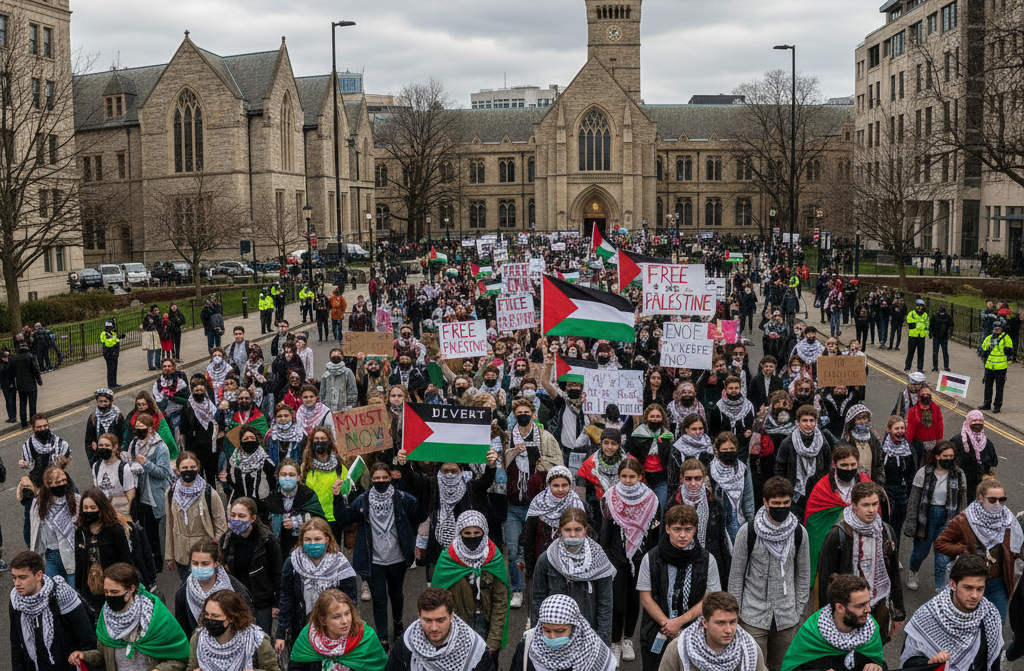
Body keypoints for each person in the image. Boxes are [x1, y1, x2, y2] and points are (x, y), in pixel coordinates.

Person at [333, 462, 420, 651]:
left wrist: (409, 536)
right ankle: (382, 637)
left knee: (396, 595)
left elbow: (418, 514)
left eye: (384, 478)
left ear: (390, 478)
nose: (381, 481)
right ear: (371, 480)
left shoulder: (402, 498)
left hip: (397, 559)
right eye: (377, 478)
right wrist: (337, 497)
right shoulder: (363, 500)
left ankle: (398, 624)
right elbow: (344, 519)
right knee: (379, 599)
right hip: (374, 561)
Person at [728, 476, 809, 671]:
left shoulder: (799, 533)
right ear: (765, 502)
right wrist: (735, 614)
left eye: (786, 503)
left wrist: (797, 610)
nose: (781, 507)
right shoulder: (747, 532)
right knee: (752, 667)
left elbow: (803, 575)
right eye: (776, 503)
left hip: (787, 617)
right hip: (752, 616)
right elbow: (736, 577)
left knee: (784, 668)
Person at [815, 481, 905, 643]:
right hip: (848, 609)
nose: (871, 510)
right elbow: (825, 579)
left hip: (879, 606)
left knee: (873, 654)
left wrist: (899, 612)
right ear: (854, 505)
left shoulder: (887, 532)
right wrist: (827, 616)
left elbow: (894, 574)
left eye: (875, 504)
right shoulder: (838, 535)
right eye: (865, 505)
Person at [636, 504, 722, 671]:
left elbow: (710, 598)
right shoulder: (651, 558)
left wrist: (679, 623)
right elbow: (645, 596)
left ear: (695, 530)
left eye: (688, 529)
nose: (682, 535)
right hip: (657, 630)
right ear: (667, 529)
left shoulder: (707, 559)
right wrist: (667, 624)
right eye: (677, 529)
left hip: (696, 632)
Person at [70, 563, 190, 671]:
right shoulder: (106, 619)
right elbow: (103, 656)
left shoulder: (156, 618)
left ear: (131, 589)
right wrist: (84, 656)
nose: (109, 597)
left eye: (115, 592)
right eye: (106, 592)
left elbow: (178, 659)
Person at [504, 397, 563, 610]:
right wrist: (510, 454)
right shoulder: (508, 437)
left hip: (537, 506)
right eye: (518, 412)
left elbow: (558, 463)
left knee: (535, 551)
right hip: (514, 505)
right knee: (511, 550)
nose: (522, 415)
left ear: (533, 414)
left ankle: (537, 588)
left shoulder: (545, 437)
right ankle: (517, 590)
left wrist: (540, 463)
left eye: (526, 412)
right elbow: (501, 460)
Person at [601, 457, 661, 664]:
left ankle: (628, 639)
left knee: (634, 601)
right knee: (617, 603)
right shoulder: (609, 497)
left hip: (641, 558)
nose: (627, 480)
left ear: (639, 477)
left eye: (632, 477)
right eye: (624, 476)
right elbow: (605, 530)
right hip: (616, 558)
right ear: (618, 476)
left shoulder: (651, 499)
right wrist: (606, 557)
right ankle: (615, 642)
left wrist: (651, 558)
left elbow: (655, 532)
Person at [936, 477, 1022, 622]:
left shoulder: (1009, 521)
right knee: (966, 624)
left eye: (1002, 499)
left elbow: (1020, 546)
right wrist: (961, 550)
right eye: (993, 499)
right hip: (970, 582)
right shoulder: (964, 520)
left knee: (996, 624)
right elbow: (941, 543)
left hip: (997, 583)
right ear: (981, 498)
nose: (998, 504)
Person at [430, 511, 510, 664]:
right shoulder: (447, 558)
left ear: (484, 532)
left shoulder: (494, 557)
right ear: (459, 533)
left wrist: (493, 640)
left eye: (476, 532)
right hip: (456, 627)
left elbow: (501, 602)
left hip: (485, 626)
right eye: (467, 533)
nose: (472, 537)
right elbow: (436, 601)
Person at [901, 554, 1002, 671]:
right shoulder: (927, 615)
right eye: (968, 588)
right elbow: (908, 662)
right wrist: (930, 662)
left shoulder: (990, 616)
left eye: (980, 589)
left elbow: (993, 662)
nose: (975, 595)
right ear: (953, 585)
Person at [529, 507, 614, 645]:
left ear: (586, 529)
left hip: (587, 634)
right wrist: (536, 636)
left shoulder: (598, 559)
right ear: (560, 530)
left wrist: (602, 639)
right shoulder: (547, 560)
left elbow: (605, 603)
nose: (573, 534)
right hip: (555, 634)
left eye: (578, 529)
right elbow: (538, 599)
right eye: (567, 530)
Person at [275, 518, 358, 653]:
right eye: (308, 540)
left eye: (317, 539)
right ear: (302, 540)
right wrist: (281, 634)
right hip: (301, 628)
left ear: (327, 539)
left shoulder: (340, 564)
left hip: (333, 630)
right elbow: (286, 599)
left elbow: (351, 600)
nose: (312, 543)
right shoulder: (292, 563)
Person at [9, 550, 95, 671]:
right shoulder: (16, 601)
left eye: (23, 578)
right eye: (14, 578)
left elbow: (86, 638)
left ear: (38, 575)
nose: (17, 583)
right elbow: (16, 644)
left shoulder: (62, 595)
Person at [780, 574, 884, 671]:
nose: (868, 610)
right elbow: (792, 668)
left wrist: (876, 666)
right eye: (860, 606)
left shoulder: (871, 628)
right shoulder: (812, 631)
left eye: (868, 603)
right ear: (840, 608)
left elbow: (879, 662)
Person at [803, 446, 871, 586]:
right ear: (834, 465)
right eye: (844, 465)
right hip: (832, 547)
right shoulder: (822, 487)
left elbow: (875, 514)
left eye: (853, 465)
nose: (849, 469)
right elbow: (814, 525)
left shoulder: (866, 484)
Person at [905, 441, 967, 592]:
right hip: (926, 517)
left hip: (947, 518)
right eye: (945, 456)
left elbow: (962, 500)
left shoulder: (959, 474)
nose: (949, 459)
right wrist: (911, 523)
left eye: (951, 456)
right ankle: (913, 571)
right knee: (920, 552)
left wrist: (962, 523)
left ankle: (941, 587)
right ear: (937, 456)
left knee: (943, 556)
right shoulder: (924, 473)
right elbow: (914, 501)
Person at [386, 587, 492, 671]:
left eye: (440, 620)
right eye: (427, 620)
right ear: (419, 616)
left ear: (451, 616)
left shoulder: (473, 648)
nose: (434, 628)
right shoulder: (407, 642)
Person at [219, 497, 283, 634]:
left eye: (242, 516)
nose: (236, 519)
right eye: (233, 515)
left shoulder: (267, 540)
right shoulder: (227, 539)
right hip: (237, 601)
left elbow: (277, 573)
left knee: (261, 641)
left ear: (253, 518)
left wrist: (277, 603)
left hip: (261, 603)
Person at [657, 591, 767, 671]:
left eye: (733, 622)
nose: (728, 630)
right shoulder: (679, 648)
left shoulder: (750, 650)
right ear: (705, 622)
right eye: (720, 623)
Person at [507, 594, 616, 671]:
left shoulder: (592, 650)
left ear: (573, 628)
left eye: (560, 631)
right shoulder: (527, 645)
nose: (552, 637)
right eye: (546, 630)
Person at [164, 452, 228, 583]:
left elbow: (221, 524)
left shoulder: (209, 493)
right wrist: (169, 555)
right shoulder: (171, 493)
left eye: (192, 467)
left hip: (203, 555)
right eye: (185, 468)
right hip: (181, 555)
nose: (189, 471)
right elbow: (170, 524)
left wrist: (216, 545)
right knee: (187, 591)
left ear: (198, 468)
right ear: (177, 469)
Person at [289, 590, 388, 671]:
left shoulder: (366, 637)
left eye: (347, 613)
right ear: (322, 620)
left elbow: (381, 667)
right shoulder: (308, 637)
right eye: (336, 617)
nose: (345, 621)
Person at [172, 538, 253, 634]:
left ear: (216, 564)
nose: (199, 568)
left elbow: (247, 622)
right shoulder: (183, 592)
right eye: (195, 563)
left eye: (205, 564)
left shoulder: (236, 590)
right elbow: (183, 627)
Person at [74, 488, 133, 615]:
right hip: (89, 592)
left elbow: (125, 560)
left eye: (93, 508)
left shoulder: (115, 530)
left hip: (113, 590)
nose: (89, 511)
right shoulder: (80, 531)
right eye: (86, 508)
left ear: (101, 508)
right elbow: (79, 561)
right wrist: (78, 588)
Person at [125, 412, 173, 567]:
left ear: (151, 429)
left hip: (156, 496)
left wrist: (146, 463)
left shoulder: (160, 447)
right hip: (141, 495)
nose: (139, 433)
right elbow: (130, 462)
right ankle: (152, 558)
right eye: (137, 429)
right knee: (147, 531)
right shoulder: (134, 444)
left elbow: (163, 473)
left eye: (143, 429)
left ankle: (161, 560)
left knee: (159, 532)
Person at [187, 589, 278, 671]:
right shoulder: (198, 639)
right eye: (206, 614)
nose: (209, 619)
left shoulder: (256, 640)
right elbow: (191, 668)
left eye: (215, 616)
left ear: (231, 617)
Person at [774, 405, 836, 520]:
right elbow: (779, 468)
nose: (808, 424)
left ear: (816, 421)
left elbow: (828, 465)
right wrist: (784, 490)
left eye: (811, 420)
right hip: (795, 491)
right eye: (805, 420)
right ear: (798, 422)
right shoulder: (788, 442)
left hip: (816, 490)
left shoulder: (822, 441)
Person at [259, 458, 326, 555]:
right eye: (283, 474)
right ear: (278, 476)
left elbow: (320, 522)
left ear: (298, 477)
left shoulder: (308, 495)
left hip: (305, 549)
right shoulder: (272, 499)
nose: (287, 478)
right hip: (279, 550)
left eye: (291, 475)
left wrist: (296, 522)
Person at [299, 428, 349, 540]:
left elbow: (348, 490)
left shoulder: (340, 468)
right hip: (313, 519)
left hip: (334, 519)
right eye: (316, 439)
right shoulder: (306, 468)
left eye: (323, 439)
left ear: (329, 442)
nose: (319, 441)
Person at [878, 415, 917, 546]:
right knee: (884, 525)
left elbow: (913, 472)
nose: (900, 431)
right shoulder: (881, 449)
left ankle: (895, 554)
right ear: (889, 430)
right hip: (886, 491)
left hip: (902, 492)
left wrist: (908, 491)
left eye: (902, 428)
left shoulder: (909, 449)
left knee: (897, 527)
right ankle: (882, 552)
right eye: (896, 428)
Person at [708, 432, 754, 543]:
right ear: (717, 450)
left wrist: (751, 525)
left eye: (731, 448)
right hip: (716, 521)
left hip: (738, 520)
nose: (728, 452)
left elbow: (748, 499)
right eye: (724, 449)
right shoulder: (710, 470)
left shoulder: (743, 470)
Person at [178, 375, 219, 484]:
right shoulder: (188, 405)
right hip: (194, 444)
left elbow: (217, 420)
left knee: (211, 475)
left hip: (210, 445)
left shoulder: (211, 403)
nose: (199, 389)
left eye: (201, 387)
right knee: (197, 474)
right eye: (196, 387)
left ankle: (211, 496)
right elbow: (183, 427)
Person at [950, 410, 998, 502]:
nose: (977, 426)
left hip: (980, 487)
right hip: (960, 485)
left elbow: (993, 465)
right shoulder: (957, 441)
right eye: (974, 424)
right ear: (968, 423)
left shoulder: (987, 444)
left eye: (979, 424)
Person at [224, 425, 276, 505]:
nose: (249, 441)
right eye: (246, 439)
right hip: (239, 505)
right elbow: (229, 483)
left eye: (252, 438)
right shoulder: (234, 462)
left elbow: (273, 484)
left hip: (261, 507)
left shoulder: (265, 461)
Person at [21, 413, 71, 488]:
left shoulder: (60, 443)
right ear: (33, 428)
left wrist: (63, 461)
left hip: (57, 483)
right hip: (38, 485)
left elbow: (67, 458)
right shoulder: (28, 445)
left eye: (45, 426)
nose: (43, 429)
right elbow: (27, 464)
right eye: (39, 427)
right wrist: (23, 464)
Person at [979, 318, 1013, 413]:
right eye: (995, 329)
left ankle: (997, 406)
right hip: (989, 366)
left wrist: (1005, 364)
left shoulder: (1006, 339)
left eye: (998, 328)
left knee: (999, 388)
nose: (996, 330)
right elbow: (983, 349)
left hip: (1001, 368)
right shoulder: (989, 338)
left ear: (1002, 329)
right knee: (988, 386)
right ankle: (987, 403)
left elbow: (1009, 354)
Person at [84, 389, 124, 467]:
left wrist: (120, 454)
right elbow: (88, 441)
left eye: (105, 401)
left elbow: (122, 436)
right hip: (99, 457)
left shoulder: (118, 416)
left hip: (115, 457)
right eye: (100, 401)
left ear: (111, 401)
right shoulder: (93, 418)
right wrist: (93, 462)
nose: (102, 404)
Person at [905, 385, 943, 464]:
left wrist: (938, 441)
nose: (926, 396)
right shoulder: (912, 411)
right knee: (918, 464)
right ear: (919, 396)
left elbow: (940, 425)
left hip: (932, 443)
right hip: (918, 444)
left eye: (928, 395)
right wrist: (909, 443)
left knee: (931, 464)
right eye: (923, 394)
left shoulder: (936, 408)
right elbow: (910, 429)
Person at [153, 358, 190, 436]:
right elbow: (157, 401)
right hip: (165, 416)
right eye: (164, 366)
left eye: (169, 366)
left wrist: (172, 398)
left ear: (174, 367)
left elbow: (187, 400)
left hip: (179, 414)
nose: (167, 368)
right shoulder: (158, 383)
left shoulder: (180, 382)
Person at [321, 348, 358, 412]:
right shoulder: (326, 375)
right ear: (330, 357)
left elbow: (352, 389)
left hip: (345, 408)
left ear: (342, 357)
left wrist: (351, 405)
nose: (336, 355)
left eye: (338, 354)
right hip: (329, 409)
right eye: (333, 354)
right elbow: (322, 392)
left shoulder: (348, 372)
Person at [905, 298, 929, 373]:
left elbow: (927, 325)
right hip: (913, 336)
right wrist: (918, 325)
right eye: (917, 306)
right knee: (910, 352)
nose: (919, 308)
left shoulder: (925, 315)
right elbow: (910, 323)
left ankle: (920, 368)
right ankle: (907, 367)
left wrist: (926, 333)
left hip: (921, 337)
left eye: (920, 306)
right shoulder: (911, 314)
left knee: (921, 354)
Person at [930, 304, 954, 372]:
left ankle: (946, 366)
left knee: (944, 352)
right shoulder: (935, 317)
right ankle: (935, 367)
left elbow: (951, 325)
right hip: (937, 337)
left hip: (944, 337)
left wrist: (950, 332)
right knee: (936, 352)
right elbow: (931, 326)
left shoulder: (947, 318)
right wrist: (930, 333)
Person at [100, 321, 121, 389]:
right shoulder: (104, 334)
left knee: (114, 368)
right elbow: (107, 342)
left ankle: (114, 383)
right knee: (110, 369)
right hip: (108, 353)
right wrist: (114, 340)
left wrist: (116, 340)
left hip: (114, 352)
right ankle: (110, 384)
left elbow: (117, 340)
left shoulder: (113, 333)